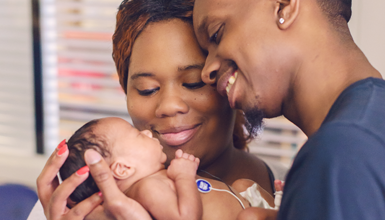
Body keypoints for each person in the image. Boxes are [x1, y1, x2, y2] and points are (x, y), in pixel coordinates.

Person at [33, 0, 286, 219]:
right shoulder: (72, 210)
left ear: (228, 79)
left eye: (193, 82)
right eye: (147, 89)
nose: (169, 106)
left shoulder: (294, 184)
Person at [192, 0, 385, 219]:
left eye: (216, 34)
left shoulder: (341, 154)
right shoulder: (368, 127)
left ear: (284, 6)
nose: (206, 72)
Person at [59, 116, 279, 219]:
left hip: (243, 200)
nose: (146, 132)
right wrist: (184, 176)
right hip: (245, 216)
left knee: (243, 184)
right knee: (250, 217)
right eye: (137, 135)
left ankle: (281, 204)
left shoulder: (157, 178)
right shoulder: (147, 189)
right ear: (123, 168)